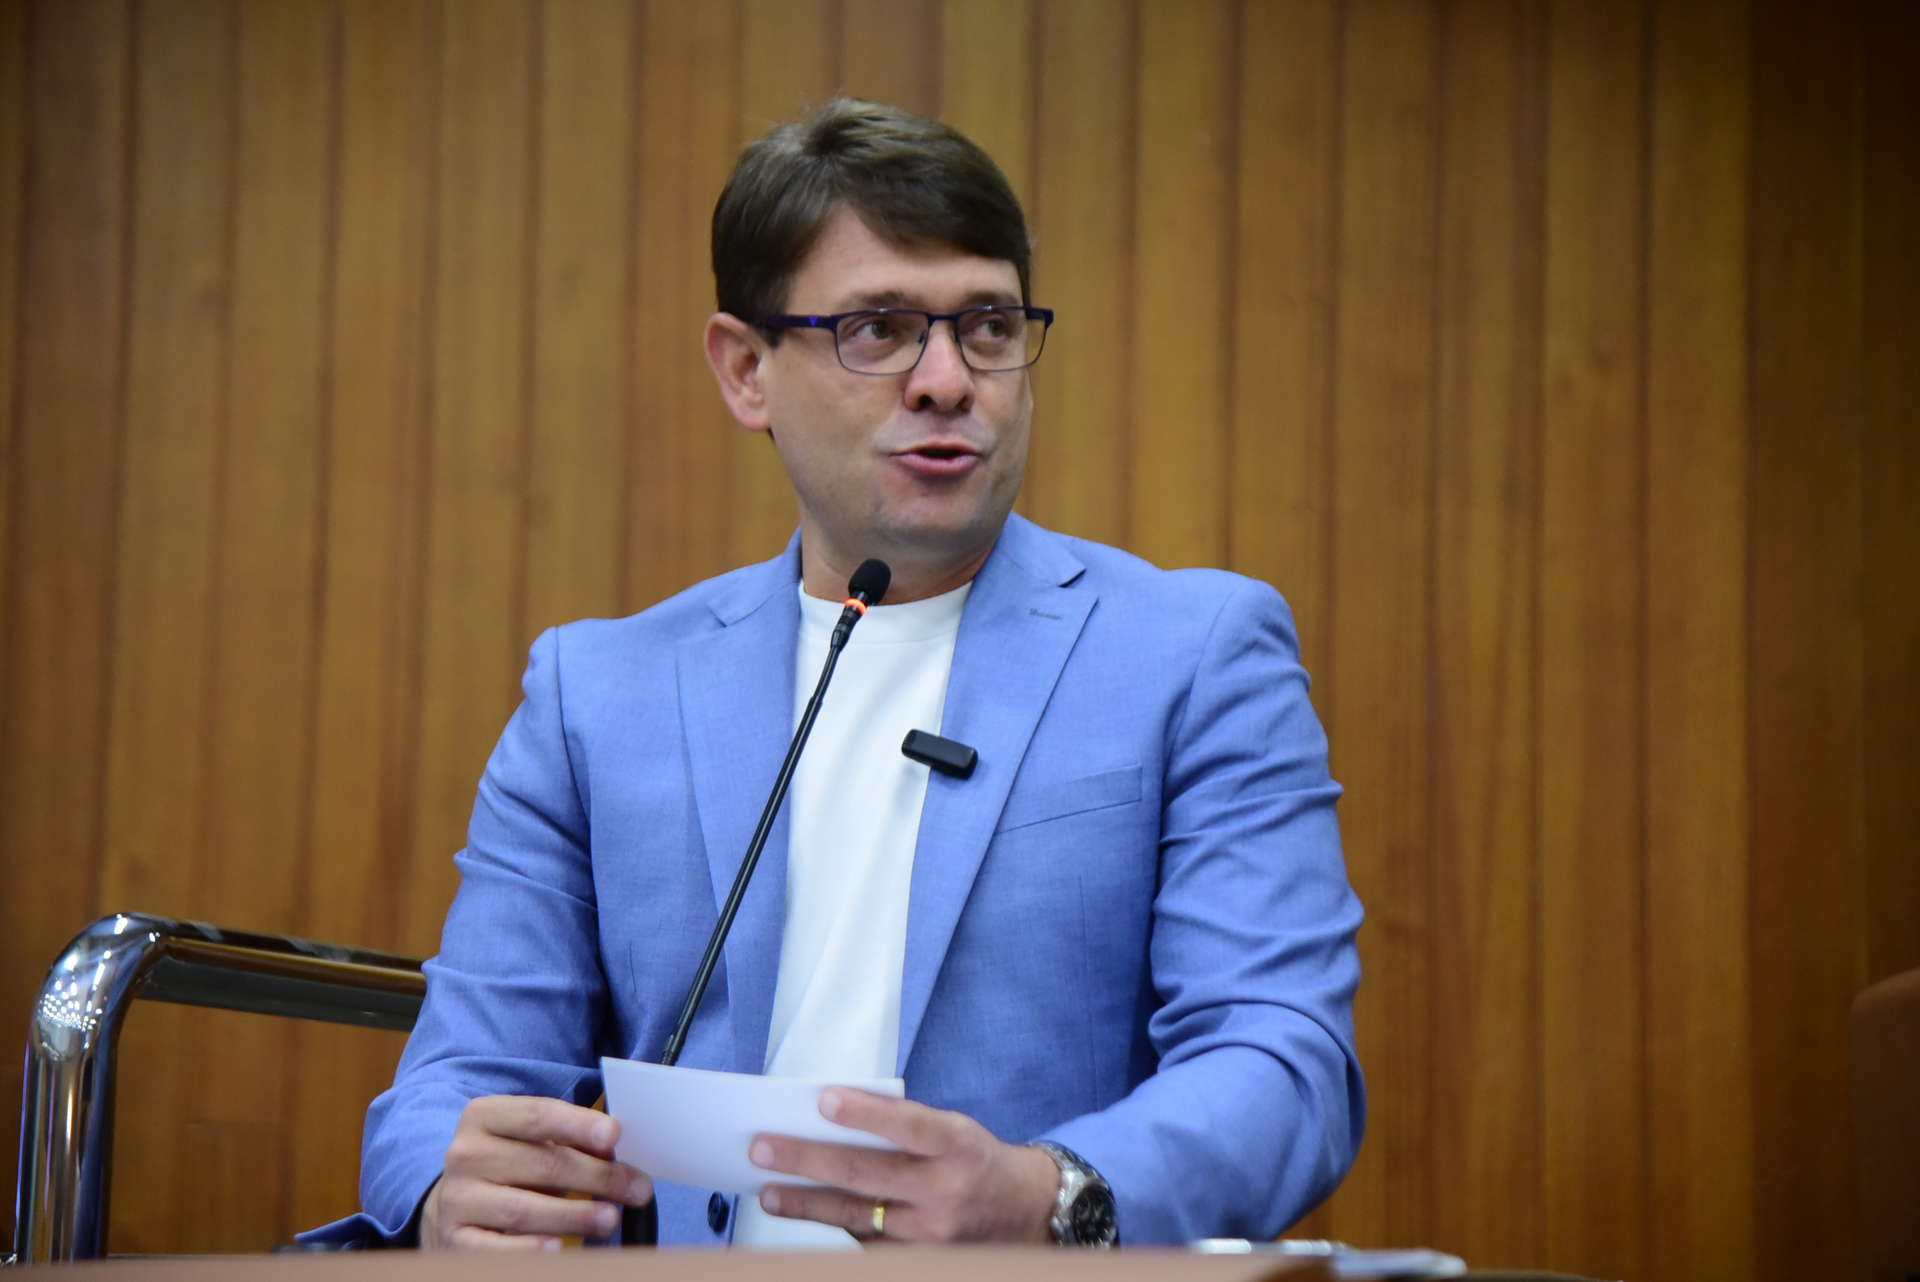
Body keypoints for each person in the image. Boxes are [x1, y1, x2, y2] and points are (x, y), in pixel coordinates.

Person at [308, 98, 1364, 1252]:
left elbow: (1283, 1062)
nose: (947, 380)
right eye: (879, 329)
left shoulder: (1193, 655)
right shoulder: (596, 696)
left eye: (988, 325)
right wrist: (449, 1191)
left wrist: (1047, 1196)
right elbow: (456, 1079)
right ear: (746, 371)